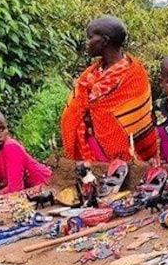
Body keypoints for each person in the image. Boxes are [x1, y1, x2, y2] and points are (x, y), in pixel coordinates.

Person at [61, 16, 157, 162]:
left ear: (104, 41)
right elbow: (75, 108)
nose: (87, 43)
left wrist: (96, 116)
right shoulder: (90, 74)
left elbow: (136, 117)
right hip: (90, 147)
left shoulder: (134, 74)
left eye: (90, 38)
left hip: (126, 154)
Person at [0, 108, 52, 194]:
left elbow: (15, 188)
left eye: (1, 129)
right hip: (21, 188)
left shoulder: (11, 148)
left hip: (43, 185)